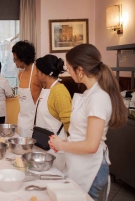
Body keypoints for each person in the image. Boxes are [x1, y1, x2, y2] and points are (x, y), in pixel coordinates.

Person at [49, 44, 128, 200]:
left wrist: (62, 145)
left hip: (91, 169)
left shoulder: (98, 98)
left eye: (69, 68)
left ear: (80, 70)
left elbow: (91, 145)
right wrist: (63, 141)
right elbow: (81, 132)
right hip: (80, 165)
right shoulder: (89, 94)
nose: (68, 72)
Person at [34, 54, 71, 171]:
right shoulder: (45, 89)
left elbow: (69, 123)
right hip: (42, 144)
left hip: (55, 150)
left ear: (44, 73)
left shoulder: (59, 92)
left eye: (37, 71)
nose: (36, 74)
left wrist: (66, 144)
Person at [12, 40, 42, 137]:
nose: (14, 62)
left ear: (23, 58)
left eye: (15, 59)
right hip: (22, 121)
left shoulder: (38, 72)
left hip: (35, 121)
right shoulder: (20, 74)